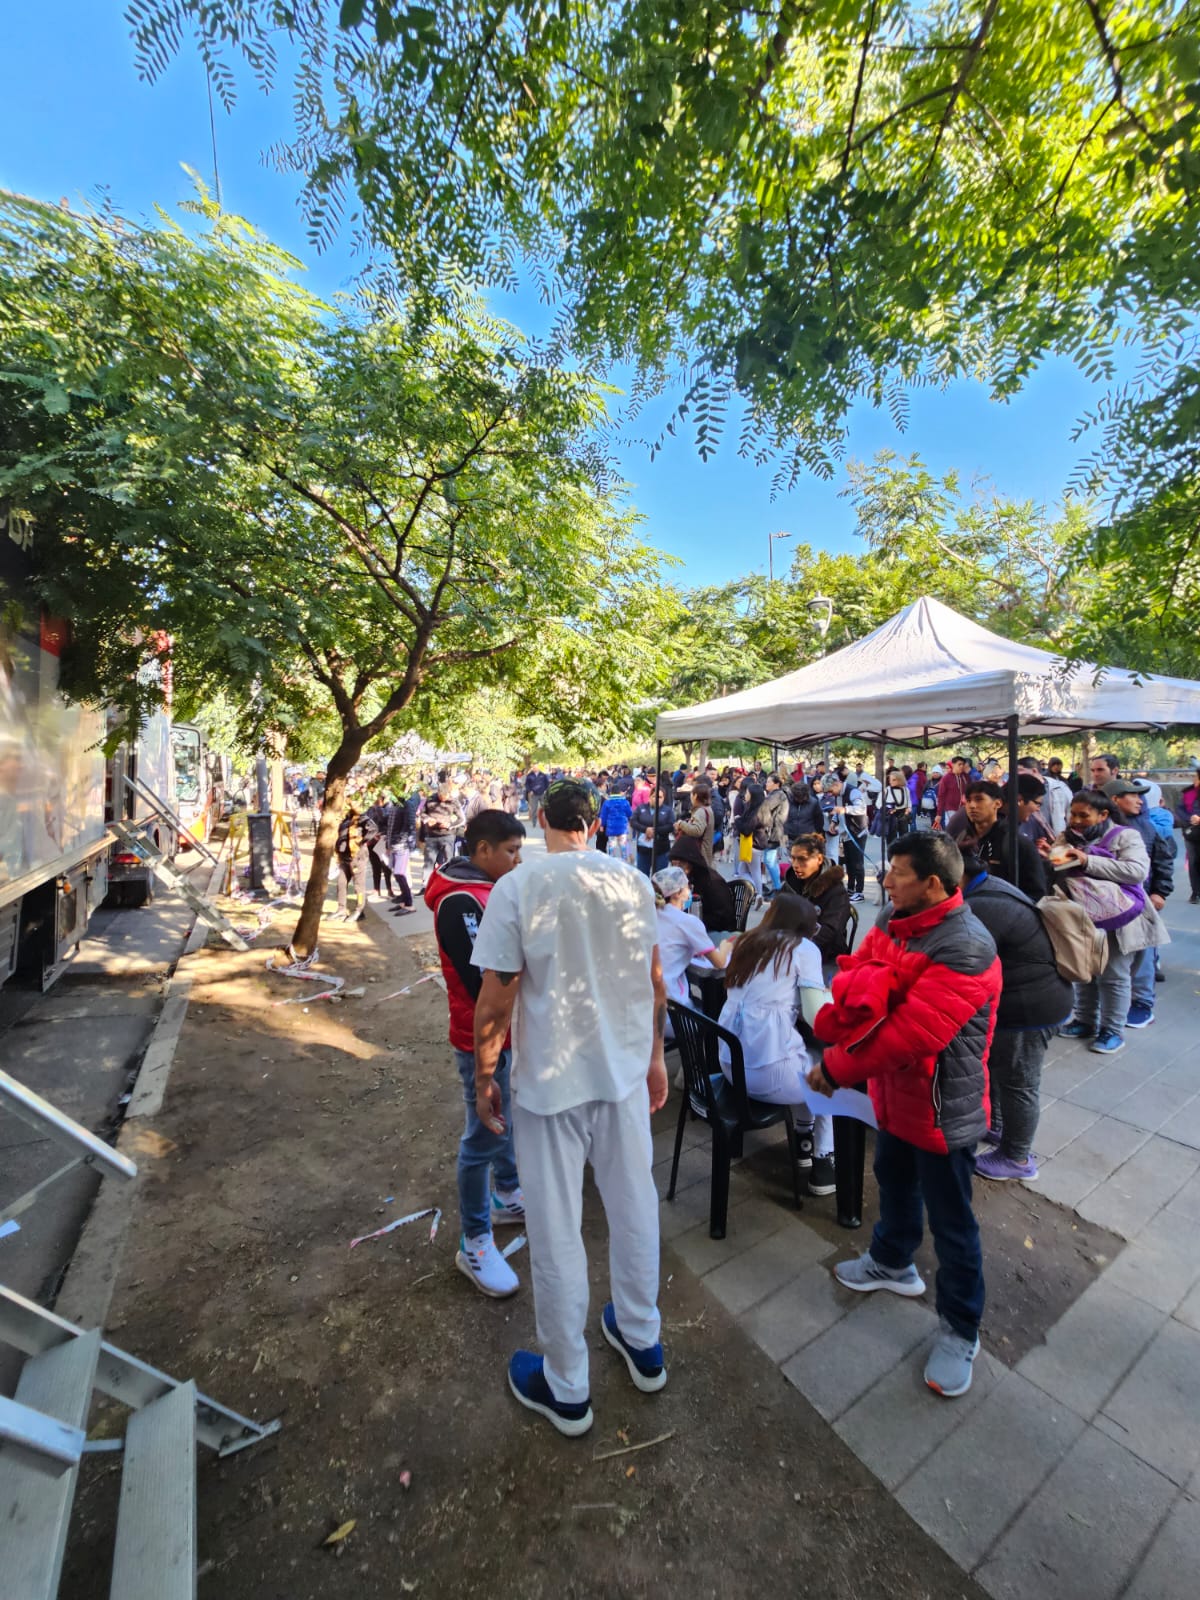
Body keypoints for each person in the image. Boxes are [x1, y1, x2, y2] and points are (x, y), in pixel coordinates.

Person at [471, 779, 669, 1437]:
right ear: (594, 822)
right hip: (618, 1077)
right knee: (633, 1203)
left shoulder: (519, 888)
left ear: (540, 821)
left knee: (557, 1228)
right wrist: (654, 1058)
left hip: (550, 1085)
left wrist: (485, 1074)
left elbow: (496, 1001)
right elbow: (654, 980)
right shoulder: (632, 881)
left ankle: (568, 1386)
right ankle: (642, 1341)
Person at [811, 831, 1000, 1398]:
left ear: (935, 884)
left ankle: (961, 1328)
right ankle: (893, 1262)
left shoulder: (965, 945)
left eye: (897, 873)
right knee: (892, 1179)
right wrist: (861, 997)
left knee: (953, 1224)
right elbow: (855, 971)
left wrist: (838, 1065)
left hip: (943, 1108)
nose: (885, 881)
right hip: (896, 1098)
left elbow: (909, 1034)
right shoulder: (898, 922)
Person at [425, 810, 528, 1297]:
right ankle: (475, 1240)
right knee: (481, 1134)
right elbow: (483, 978)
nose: (517, 859)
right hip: (479, 1037)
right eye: (510, 851)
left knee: (502, 1114)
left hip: (502, 1033)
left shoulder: (485, 891)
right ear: (482, 850)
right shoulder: (461, 901)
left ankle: (507, 1192)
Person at [959, 849, 1072, 1181]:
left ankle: (1017, 1158)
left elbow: (962, 961)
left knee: (1020, 1082)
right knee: (1001, 1069)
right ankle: (997, 1126)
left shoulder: (982, 906)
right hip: (1023, 1000)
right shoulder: (987, 888)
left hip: (1030, 1006)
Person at [719, 895, 835, 1195]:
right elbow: (815, 1016)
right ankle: (824, 1157)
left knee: (801, 1056)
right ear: (805, 928)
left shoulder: (746, 942)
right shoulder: (803, 949)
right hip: (767, 1074)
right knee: (831, 1072)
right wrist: (831, 997)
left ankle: (803, 1139)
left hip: (730, 1064)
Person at [1050, 789, 1169, 1055]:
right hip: (1081, 918)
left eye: (1084, 815)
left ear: (1103, 814)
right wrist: (1050, 854)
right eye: (1073, 814)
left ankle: (1112, 1030)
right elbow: (1059, 867)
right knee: (1084, 970)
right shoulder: (1066, 837)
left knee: (1113, 975)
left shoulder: (1126, 836)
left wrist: (1088, 859)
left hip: (1121, 920)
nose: (1076, 820)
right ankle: (1084, 1020)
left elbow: (1137, 871)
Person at [1100, 778, 1175, 1028]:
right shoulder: (1102, 828)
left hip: (1141, 902)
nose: (1140, 800)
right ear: (1115, 800)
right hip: (1111, 905)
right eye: (1132, 795)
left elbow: (1163, 860)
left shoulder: (1147, 827)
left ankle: (1142, 1004)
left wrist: (1160, 893)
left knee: (1144, 954)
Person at [652, 865, 728, 1022]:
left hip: (644, 1010)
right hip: (672, 1014)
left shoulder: (649, 915)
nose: (690, 892)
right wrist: (727, 946)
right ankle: (711, 1044)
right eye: (688, 887)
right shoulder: (687, 922)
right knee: (716, 1015)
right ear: (679, 892)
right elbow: (719, 963)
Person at [954, 780, 1047, 898]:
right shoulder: (961, 840)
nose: (972, 806)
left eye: (979, 799)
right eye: (968, 801)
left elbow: (1037, 893)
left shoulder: (1016, 843)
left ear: (997, 804)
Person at [780, 832, 852, 967]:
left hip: (825, 957)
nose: (795, 864)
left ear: (819, 859)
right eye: (793, 858)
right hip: (789, 952)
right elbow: (774, 917)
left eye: (802, 859)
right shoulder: (790, 884)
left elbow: (830, 931)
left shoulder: (836, 891)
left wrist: (798, 952)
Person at [670, 836, 738, 935]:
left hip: (718, 931)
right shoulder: (688, 878)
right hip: (697, 926)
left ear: (690, 864)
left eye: (680, 865)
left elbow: (723, 918)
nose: (676, 869)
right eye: (673, 865)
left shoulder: (713, 882)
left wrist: (690, 922)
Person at [733, 781, 768, 903]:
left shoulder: (757, 811)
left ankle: (758, 893)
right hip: (754, 844)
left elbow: (747, 830)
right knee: (744, 870)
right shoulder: (753, 808)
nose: (745, 795)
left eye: (747, 793)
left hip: (753, 844)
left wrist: (737, 820)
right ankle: (757, 894)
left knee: (753, 871)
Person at [418, 783, 461, 882]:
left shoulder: (454, 802)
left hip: (447, 835)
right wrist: (428, 819)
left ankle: (448, 882)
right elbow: (422, 813)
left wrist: (450, 824)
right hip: (432, 835)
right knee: (429, 861)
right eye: (441, 797)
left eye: (445, 797)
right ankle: (426, 885)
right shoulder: (430, 800)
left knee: (448, 861)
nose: (443, 799)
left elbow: (461, 819)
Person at [334, 805, 370, 919]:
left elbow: (373, 829)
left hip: (357, 857)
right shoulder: (346, 818)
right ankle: (341, 909)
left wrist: (361, 841)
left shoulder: (361, 818)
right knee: (341, 883)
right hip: (344, 857)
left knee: (358, 886)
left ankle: (360, 910)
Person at [632, 784, 676, 875]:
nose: (656, 799)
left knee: (659, 878)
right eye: (654, 796)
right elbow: (633, 821)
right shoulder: (641, 808)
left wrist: (655, 831)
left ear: (663, 798)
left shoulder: (668, 811)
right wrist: (645, 830)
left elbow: (671, 826)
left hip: (661, 850)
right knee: (642, 876)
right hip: (643, 849)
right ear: (650, 797)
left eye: (659, 797)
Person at [759, 773, 790, 895]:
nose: (766, 784)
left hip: (775, 831)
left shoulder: (778, 795)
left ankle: (777, 887)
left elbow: (765, 807)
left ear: (776, 784)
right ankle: (776, 886)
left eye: (769, 782)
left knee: (769, 860)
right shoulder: (775, 794)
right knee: (770, 860)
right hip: (773, 830)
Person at [674, 779, 716, 867]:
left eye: (691, 794)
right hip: (703, 852)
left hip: (699, 853)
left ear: (695, 796)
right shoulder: (707, 809)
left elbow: (697, 831)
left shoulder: (701, 811)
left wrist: (681, 824)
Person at [1176, 761, 1200, 905]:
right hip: (1191, 833)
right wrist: (1189, 819)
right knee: (1194, 861)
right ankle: (1196, 892)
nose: (1194, 779)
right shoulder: (1188, 792)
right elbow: (1180, 810)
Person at [599, 787, 633, 863]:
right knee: (623, 846)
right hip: (622, 828)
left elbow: (603, 815)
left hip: (611, 828)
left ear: (611, 793)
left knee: (611, 846)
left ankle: (611, 862)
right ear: (619, 792)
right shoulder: (625, 802)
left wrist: (602, 825)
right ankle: (625, 861)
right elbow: (630, 814)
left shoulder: (607, 802)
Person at [935, 755, 971, 828]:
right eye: (959, 764)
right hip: (950, 810)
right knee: (951, 830)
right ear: (953, 765)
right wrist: (939, 814)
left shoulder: (966, 777)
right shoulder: (946, 778)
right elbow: (941, 796)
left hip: (964, 809)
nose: (961, 766)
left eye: (963, 764)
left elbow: (971, 791)